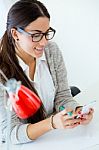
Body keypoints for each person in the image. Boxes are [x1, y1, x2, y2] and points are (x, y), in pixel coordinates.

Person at [0, 0, 94, 145]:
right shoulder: (2, 75)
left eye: (46, 33)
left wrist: (78, 110)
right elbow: (11, 133)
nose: (44, 42)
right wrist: (51, 123)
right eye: (36, 35)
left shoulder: (51, 51)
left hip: (55, 136)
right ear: (15, 34)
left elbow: (62, 97)